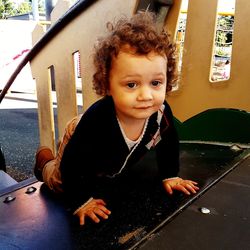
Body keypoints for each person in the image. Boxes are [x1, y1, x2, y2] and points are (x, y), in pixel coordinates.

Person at [34, 11, 199, 226]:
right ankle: (44, 161)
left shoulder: (159, 113)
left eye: (156, 83)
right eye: (131, 85)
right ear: (107, 85)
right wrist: (81, 202)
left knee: (102, 171)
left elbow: (169, 141)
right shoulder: (96, 122)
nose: (146, 96)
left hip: (105, 157)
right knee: (59, 182)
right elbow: (72, 165)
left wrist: (170, 175)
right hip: (79, 136)